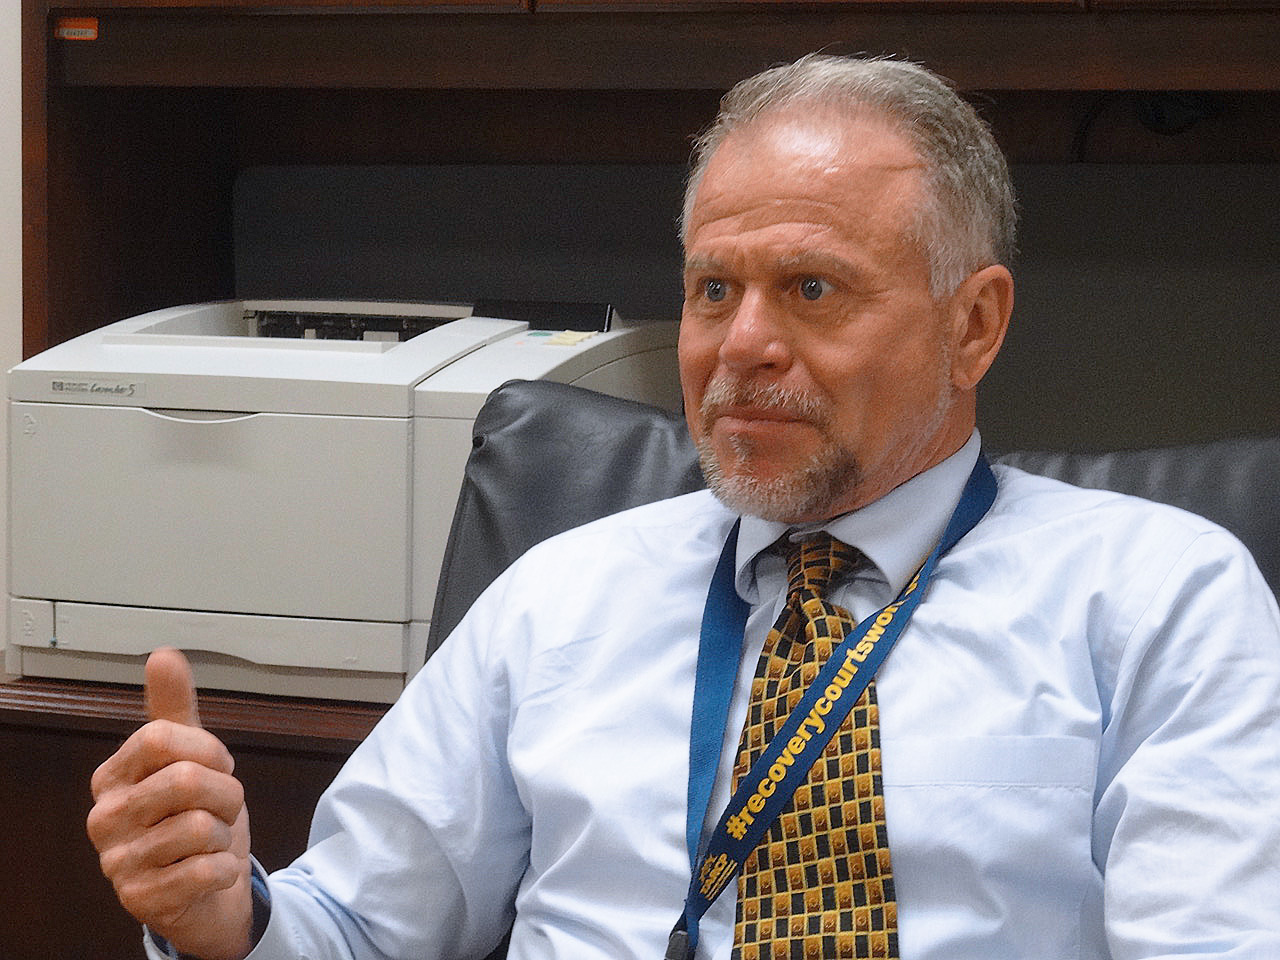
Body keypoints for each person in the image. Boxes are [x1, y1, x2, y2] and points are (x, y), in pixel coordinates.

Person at [87, 54, 1280, 960]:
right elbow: (351, 922)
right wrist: (222, 915)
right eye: (714, 290)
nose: (740, 345)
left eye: (810, 289)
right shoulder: (562, 596)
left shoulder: (1157, 597)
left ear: (971, 325)